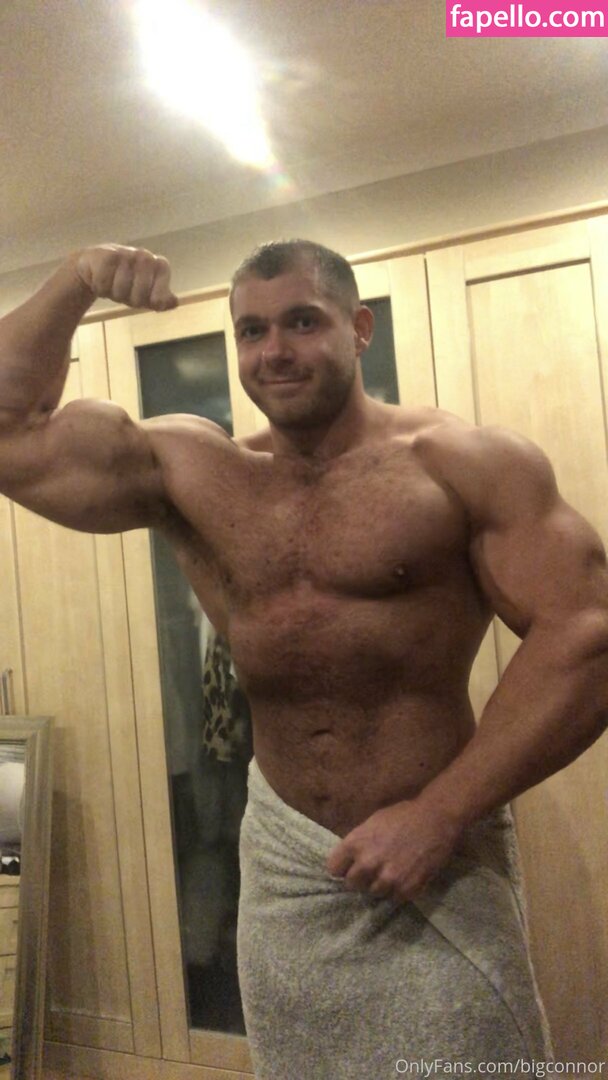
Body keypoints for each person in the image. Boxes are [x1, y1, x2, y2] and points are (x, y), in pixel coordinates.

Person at [1, 240, 607, 1077]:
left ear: (358, 329)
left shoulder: (461, 464)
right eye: (251, 331)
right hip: (285, 867)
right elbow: (9, 432)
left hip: (437, 865)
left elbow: (585, 634)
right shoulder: (198, 471)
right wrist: (75, 277)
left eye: (301, 322)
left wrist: (439, 814)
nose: (273, 351)